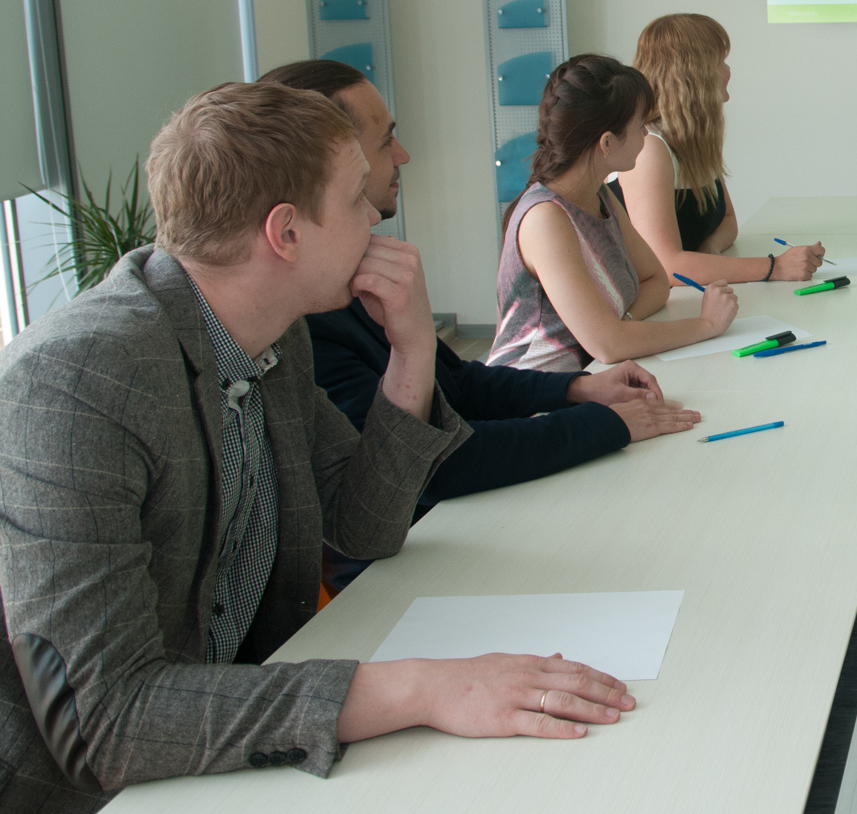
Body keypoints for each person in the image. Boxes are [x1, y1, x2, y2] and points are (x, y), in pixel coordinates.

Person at [0, 84, 636, 811]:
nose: (375, 217)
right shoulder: (74, 383)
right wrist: (419, 686)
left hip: (234, 753)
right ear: (287, 234)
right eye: (354, 200)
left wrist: (412, 354)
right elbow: (102, 723)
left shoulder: (274, 337)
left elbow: (364, 525)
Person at [262, 61, 702, 516]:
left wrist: (576, 391)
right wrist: (603, 421)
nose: (404, 155)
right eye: (384, 141)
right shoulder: (303, 321)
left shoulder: (344, 285)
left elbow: (457, 385)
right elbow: (438, 463)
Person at [491, 54, 738, 374]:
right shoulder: (545, 219)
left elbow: (656, 281)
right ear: (607, 143)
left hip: (592, 380)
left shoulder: (599, 194)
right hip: (534, 401)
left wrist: (624, 326)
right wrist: (706, 324)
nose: (647, 135)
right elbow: (608, 345)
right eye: (639, 126)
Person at [620, 13, 824, 286]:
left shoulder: (692, 141)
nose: (728, 71)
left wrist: (710, 254)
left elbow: (727, 222)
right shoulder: (649, 149)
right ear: (693, 74)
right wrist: (775, 267)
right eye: (721, 62)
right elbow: (666, 266)